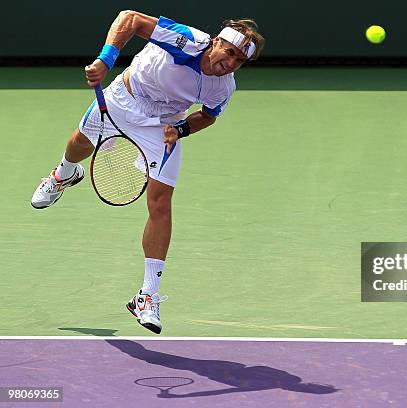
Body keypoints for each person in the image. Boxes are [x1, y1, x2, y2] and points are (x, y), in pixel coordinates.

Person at [31, 10, 265, 334]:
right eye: (229, 51)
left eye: (239, 60)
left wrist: (181, 130)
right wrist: (105, 60)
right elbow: (130, 19)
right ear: (216, 42)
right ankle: (64, 174)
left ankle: (147, 296)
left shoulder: (223, 87)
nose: (231, 61)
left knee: (160, 203)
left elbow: (208, 116)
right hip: (125, 97)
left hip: (162, 124)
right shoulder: (187, 41)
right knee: (78, 144)